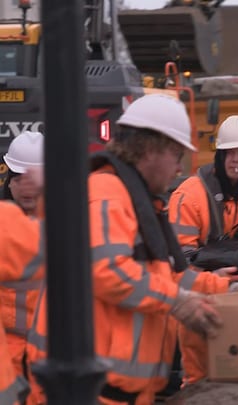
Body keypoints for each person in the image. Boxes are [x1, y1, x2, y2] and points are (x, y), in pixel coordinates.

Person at [26, 94, 224, 405]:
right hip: (87, 394)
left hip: (114, 393)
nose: (178, 168)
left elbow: (163, 275)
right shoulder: (107, 195)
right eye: (176, 154)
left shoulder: (133, 198)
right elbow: (109, 271)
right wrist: (177, 302)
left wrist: (225, 287)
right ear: (149, 149)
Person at [168, 114, 238, 385]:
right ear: (218, 156)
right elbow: (180, 261)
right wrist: (217, 274)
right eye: (229, 153)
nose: (235, 160)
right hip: (199, 296)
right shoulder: (189, 196)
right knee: (199, 378)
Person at [0, 131, 44, 383]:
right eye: (19, 178)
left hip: (48, 350)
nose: (26, 187)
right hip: (8, 353)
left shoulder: (66, 226)